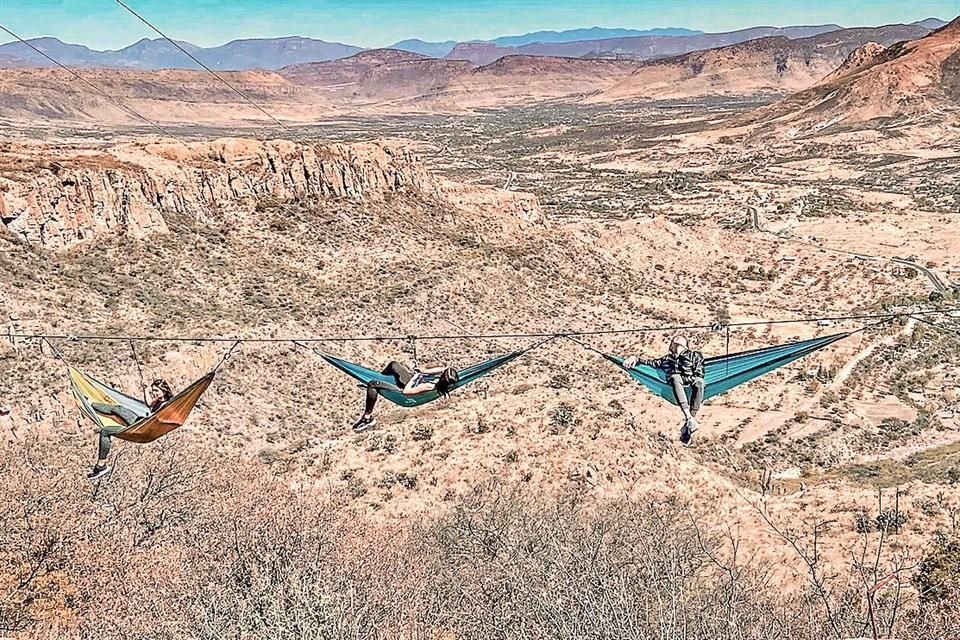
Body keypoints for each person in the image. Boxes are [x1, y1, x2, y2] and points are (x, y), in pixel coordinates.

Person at [624, 335, 705, 445]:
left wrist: (688, 379)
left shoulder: (695, 355)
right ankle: (689, 419)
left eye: (681, 338)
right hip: (675, 385)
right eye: (675, 339)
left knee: (700, 382)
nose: (678, 338)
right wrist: (635, 358)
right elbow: (650, 363)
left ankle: (689, 424)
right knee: (675, 377)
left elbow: (700, 373)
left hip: (692, 385)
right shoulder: (666, 359)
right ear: (671, 345)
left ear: (686, 345)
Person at [87, 379, 173, 479]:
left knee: (105, 431)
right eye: (153, 391)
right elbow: (149, 404)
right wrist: (146, 389)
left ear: (164, 391)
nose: (153, 393)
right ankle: (89, 403)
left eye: (156, 391)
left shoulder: (168, 404)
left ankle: (100, 466)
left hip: (143, 430)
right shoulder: (158, 401)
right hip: (140, 423)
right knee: (118, 409)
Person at [352, 361, 460, 432]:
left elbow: (407, 392)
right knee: (394, 365)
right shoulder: (442, 382)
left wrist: (415, 377)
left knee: (372, 383)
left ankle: (367, 418)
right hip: (410, 382)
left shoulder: (429, 386)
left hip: (403, 392)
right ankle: (380, 385)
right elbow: (425, 371)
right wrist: (422, 372)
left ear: (443, 379)